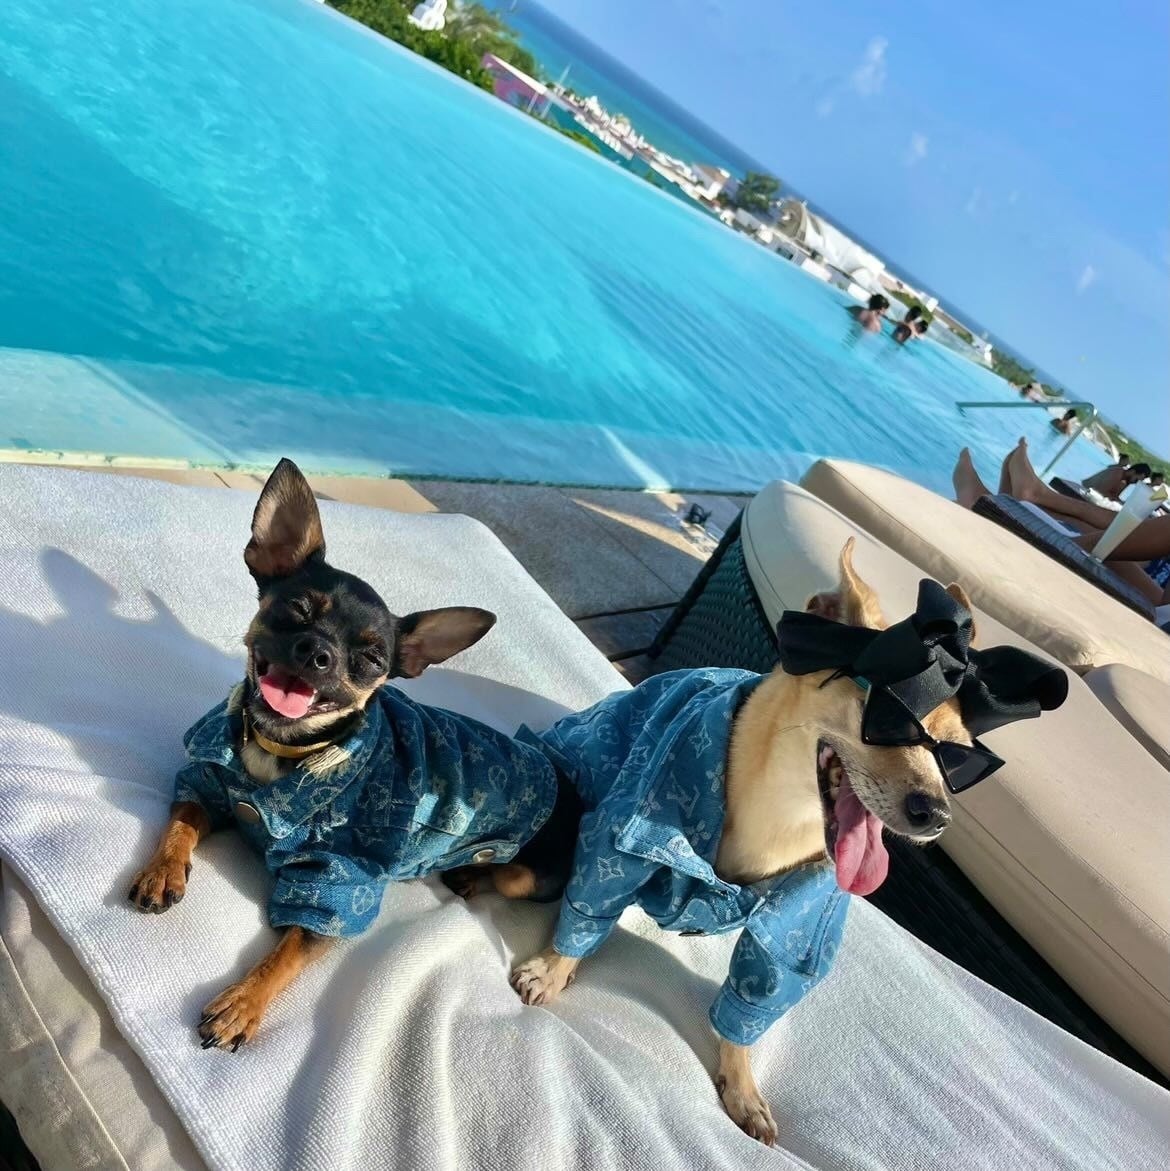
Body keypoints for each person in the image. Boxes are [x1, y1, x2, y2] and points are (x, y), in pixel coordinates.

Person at [953, 440, 1169, 606]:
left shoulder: (1120, 476)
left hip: (1157, 613)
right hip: (1159, 602)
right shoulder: (1119, 475)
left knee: (1096, 543)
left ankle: (1010, 506)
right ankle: (1022, 502)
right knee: (1094, 537)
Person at [1082, 454, 1147, 502]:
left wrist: (1122, 503)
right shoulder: (1117, 472)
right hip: (1080, 491)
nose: (1135, 483)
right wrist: (1117, 501)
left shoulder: (1126, 481)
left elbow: (1114, 496)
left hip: (1089, 496)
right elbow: (1100, 491)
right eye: (1137, 480)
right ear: (1133, 472)